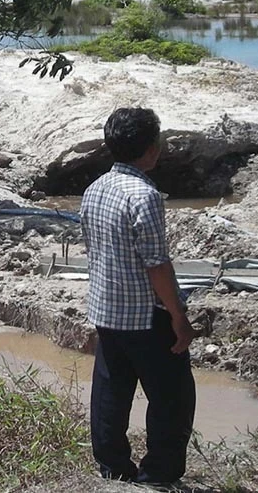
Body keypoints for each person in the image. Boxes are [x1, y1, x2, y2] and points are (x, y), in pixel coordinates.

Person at [81, 107, 196, 487]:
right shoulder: (144, 196)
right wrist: (178, 315)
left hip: (107, 308)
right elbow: (157, 265)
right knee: (172, 397)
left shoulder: (95, 189)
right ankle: (158, 475)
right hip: (146, 315)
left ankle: (113, 468)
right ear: (150, 149)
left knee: (111, 392)